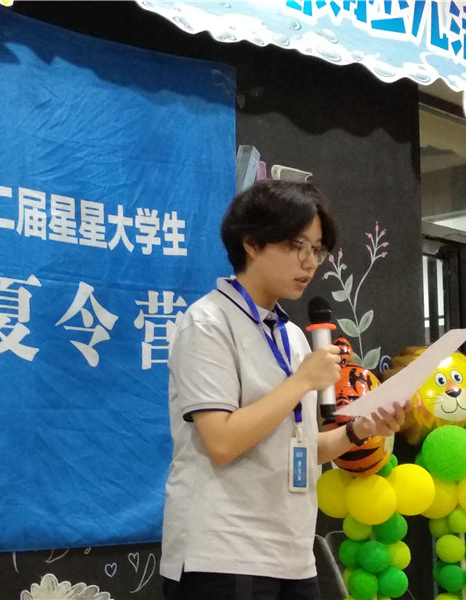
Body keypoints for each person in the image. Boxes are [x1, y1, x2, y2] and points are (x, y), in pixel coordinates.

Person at [160, 179, 406, 600]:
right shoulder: (208, 323)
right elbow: (221, 442)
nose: (309, 262)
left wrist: (359, 430)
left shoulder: (291, 335)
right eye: (296, 246)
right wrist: (302, 381)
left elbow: (303, 448)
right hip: (222, 553)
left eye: (317, 249)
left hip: (292, 553)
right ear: (252, 242)